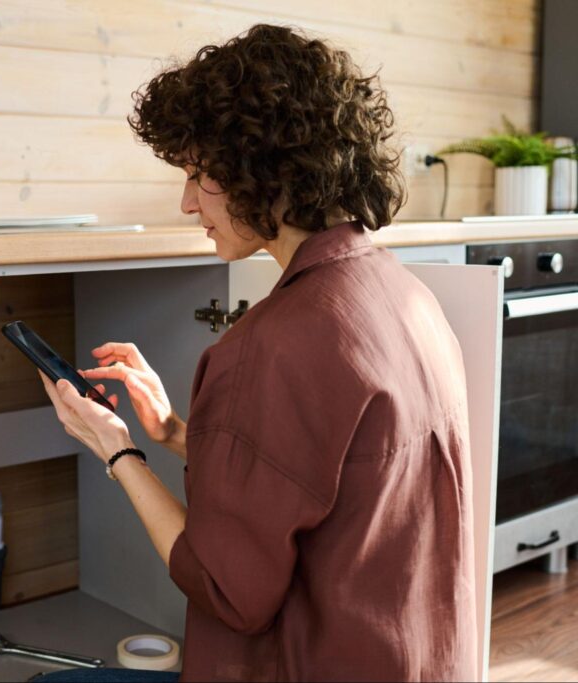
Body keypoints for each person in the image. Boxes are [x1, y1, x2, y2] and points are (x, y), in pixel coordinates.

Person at [37, 24, 477, 683]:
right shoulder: (405, 297)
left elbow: (225, 589)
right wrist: (175, 433)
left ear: (261, 168)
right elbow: (321, 482)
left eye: (197, 174)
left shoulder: (273, 344)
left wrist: (118, 450)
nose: (187, 202)